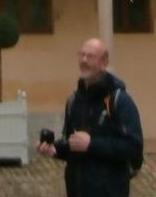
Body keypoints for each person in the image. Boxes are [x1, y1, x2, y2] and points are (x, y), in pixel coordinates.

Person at [37, 37, 143, 197]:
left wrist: (92, 143)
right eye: (81, 55)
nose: (84, 60)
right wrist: (55, 149)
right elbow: (72, 144)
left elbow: (134, 148)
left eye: (90, 56)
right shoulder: (74, 100)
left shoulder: (120, 100)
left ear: (104, 63)